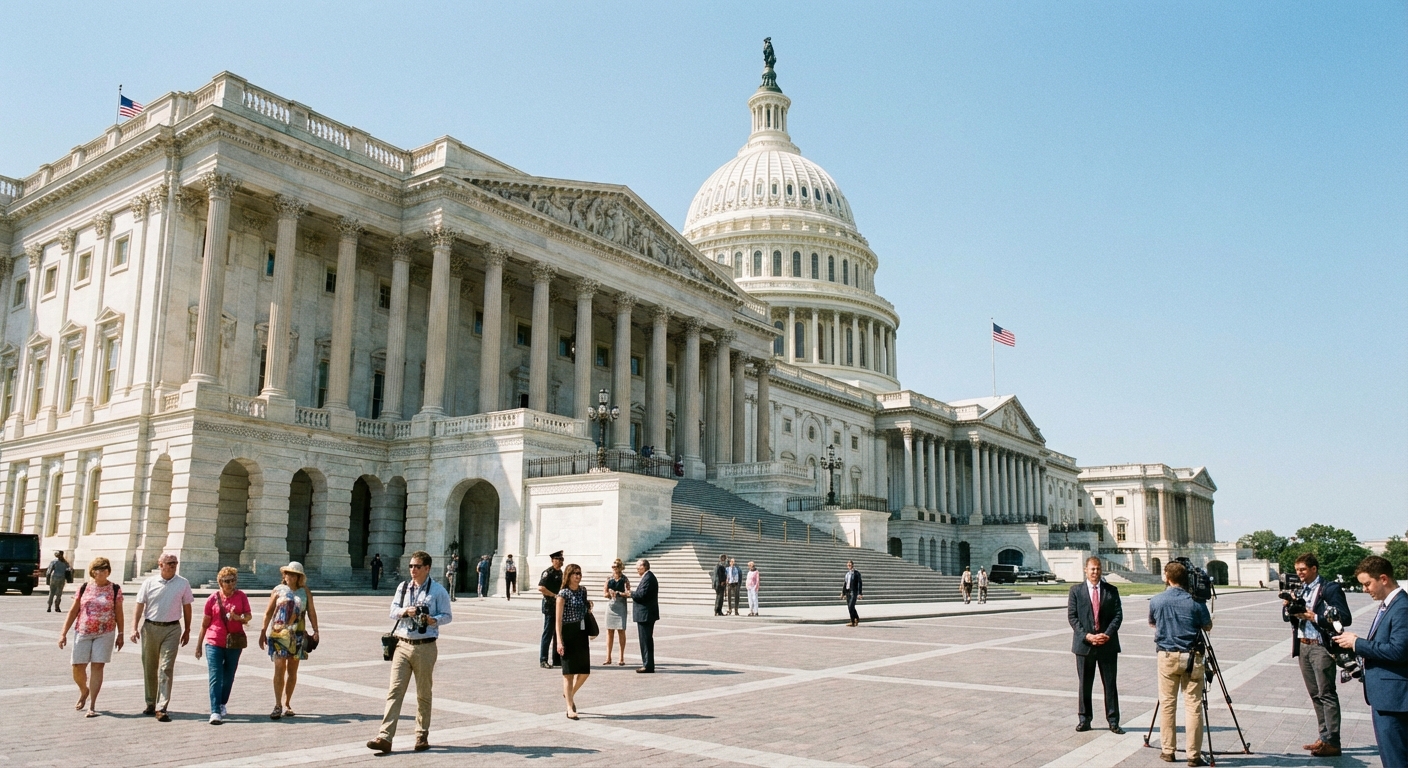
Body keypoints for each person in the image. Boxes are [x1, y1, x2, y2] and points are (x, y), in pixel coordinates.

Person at [367, 550, 452, 754]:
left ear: (427, 568)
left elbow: (447, 615)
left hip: (425, 645)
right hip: (402, 645)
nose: (413, 570)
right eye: (411, 566)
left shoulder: (438, 591)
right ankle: (385, 737)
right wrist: (406, 611)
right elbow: (392, 611)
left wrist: (433, 620)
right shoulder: (403, 587)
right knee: (394, 691)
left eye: (417, 566)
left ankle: (421, 735)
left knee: (423, 693)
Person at [1332, 555, 1408, 767]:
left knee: (1396, 760)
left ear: (1383, 578)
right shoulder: (1389, 604)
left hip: (1394, 700)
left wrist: (1357, 643)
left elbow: (1399, 651)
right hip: (1385, 697)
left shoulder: (1402, 607)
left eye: (1367, 583)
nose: (1365, 589)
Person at [1283, 552, 1352, 757]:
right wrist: (1288, 607)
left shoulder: (1330, 588)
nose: (1300, 574)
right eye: (1297, 570)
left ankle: (1333, 741)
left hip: (1322, 646)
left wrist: (1314, 616)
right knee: (1315, 695)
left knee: (1327, 693)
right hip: (1303, 645)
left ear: (1314, 569)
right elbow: (1290, 618)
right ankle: (1323, 737)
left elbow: (1344, 618)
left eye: (1303, 570)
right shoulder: (1300, 589)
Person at [1148, 560, 1213, 766]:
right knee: (1193, 705)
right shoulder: (1196, 601)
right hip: (1191, 656)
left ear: (1167, 577)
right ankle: (1193, 755)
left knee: (1167, 704)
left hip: (1166, 656)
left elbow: (1152, 623)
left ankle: (1168, 750)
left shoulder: (1156, 600)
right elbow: (1207, 626)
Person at [58, 556, 124, 717]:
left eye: (105, 569)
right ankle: (84, 690)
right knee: (77, 667)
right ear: (92, 572)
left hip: (105, 633)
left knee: (97, 666)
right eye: (98, 569)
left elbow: (119, 613)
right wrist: (63, 633)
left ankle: (92, 705)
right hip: (83, 631)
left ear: (109, 571)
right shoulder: (84, 587)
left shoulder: (115, 589)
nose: (101, 572)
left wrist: (121, 634)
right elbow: (74, 611)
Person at [131, 553, 193, 721]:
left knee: (166, 667)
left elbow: (187, 607)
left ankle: (162, 706)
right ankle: (150, 702)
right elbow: (139, 605)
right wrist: (133, 628)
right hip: (150, 627)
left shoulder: (183, 583)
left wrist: (187, 630)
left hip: (172, 629)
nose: (173, 565)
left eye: (175, 563)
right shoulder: (149, 582)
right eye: (169, 563)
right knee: (149, 665)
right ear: (160, 565)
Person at [1068, 557, 1124, 734]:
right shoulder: (1076, 591)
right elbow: (1072, 617)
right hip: (1085, 646)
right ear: (1086, 570)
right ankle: (1084, 719)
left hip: (1107, 644)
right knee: (1085, 684)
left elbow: (1118, 615)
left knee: (1110, 684)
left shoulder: (1111, 590)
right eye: (1092, 569)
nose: (1095, 572)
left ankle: (1113, 720)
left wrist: (1106, 635)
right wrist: (1087, 636)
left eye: (1098, 569)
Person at [258, 562, 319, 719]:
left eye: (293, 574)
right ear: (283, 575)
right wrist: (263, 631)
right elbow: (268, 612)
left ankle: (287, 703)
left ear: (299, 577)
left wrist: (316, 630)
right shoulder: (278, 590)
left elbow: (311, 612)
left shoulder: (305, 592)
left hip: (297, 635)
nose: (289, 576)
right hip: (278, 634)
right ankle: (277, 704)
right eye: (287, 573)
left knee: (292, 670)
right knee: (279, 667)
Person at [195, 566, 252, 724]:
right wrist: (199, 645)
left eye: (233, 580)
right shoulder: (212, 599)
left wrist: (238, 617)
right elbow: (204, 624)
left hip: (234, 642)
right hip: (214, 641)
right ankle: (214, 711)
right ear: (220, 582)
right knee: (215, 676)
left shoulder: (241, 596)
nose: (230, 584)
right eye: (227, 581)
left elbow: (248, 616)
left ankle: (221, 703)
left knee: (229, 676)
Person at [556, 563, 592, 719]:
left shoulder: (583, 591)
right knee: (568, 674)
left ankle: (568, 694)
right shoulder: (562, 594)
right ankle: (570, 708)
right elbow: (557, 621)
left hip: (581, 632)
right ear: (568, 575)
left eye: (580, 573)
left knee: (584, 672)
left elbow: (584, 609)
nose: (578, 576)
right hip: (567, 633)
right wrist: (559, 641)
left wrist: (588, 607)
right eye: (575, 573)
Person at [632, 558, 659, 673]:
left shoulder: (648, 578)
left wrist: (630, 593)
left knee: (645, 640)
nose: (637, 570)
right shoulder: (648, 577)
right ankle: (647, 663)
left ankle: (647, 665)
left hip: (645, 614)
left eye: (638, 568)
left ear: (644, 567)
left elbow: (641, 595)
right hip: (646, 614)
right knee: (646, 640)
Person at [539, 551, 565, 668]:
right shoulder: (547, 573)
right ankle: (543, 659)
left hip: (559, 607)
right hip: (549, 606)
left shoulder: (561, 573)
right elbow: (541, 587)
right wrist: (554, 595)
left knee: (558, 633)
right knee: (548, 633)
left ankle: (557, 659)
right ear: (552, 560)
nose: (560, 562)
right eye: (558, 559)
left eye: (561, 560)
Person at [604, 558, 630, 666]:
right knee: (609, 631)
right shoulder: (609, 578)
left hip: (620, 605)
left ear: (620, 568)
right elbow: (604, 593)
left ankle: (621, 657)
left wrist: (619, 593)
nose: (614, 569)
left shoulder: (624, 579)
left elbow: (628, 593)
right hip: (611, 605)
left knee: (621, 631)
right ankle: (608, 657)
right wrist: (610, 593)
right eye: (613, 567)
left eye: (616, 567)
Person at [842, 560, 863, 627]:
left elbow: (859, 583)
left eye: (850, 565)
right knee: (850, 607)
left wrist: (860, 593)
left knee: (851, 606)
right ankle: (856, 618)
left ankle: (853, 621)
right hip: (848, 591)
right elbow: (845, 584)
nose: (849, 566)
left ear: (853, 565)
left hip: (853, 591)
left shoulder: (856, 573)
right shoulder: (847, 574)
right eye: (848, 565)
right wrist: (843, 593)